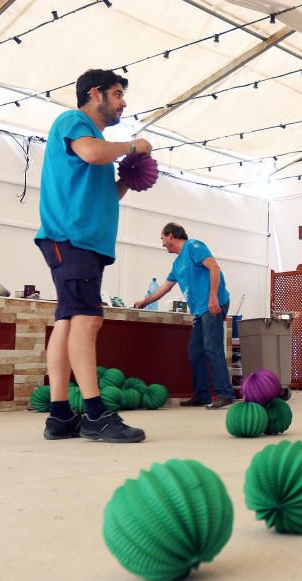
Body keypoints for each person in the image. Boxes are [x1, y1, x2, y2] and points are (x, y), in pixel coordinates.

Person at [35, 69, 150, 444]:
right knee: (88, 321)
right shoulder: (75, 123)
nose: (123, 103)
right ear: (96, 93)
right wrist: (133, 147)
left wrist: (128, 180)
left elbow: (104, 195)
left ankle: (59, 416)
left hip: (82, 242)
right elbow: (91, 152)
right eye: (118, 94)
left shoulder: (97, 142)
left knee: (68, 322)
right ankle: (97, 414)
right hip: (72, 239)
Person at [134, 223, 235, 409]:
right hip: (199, 310)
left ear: (171, 235)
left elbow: (214, 268)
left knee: (212, 347)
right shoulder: (177, 263)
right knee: (195, 351)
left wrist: (213, 296)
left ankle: (225, 393)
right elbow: (164, 288)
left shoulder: (194, 246)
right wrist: (144, 302)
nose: (162, 243)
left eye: (162, 238)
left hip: (213, 303)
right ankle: (202, 395)